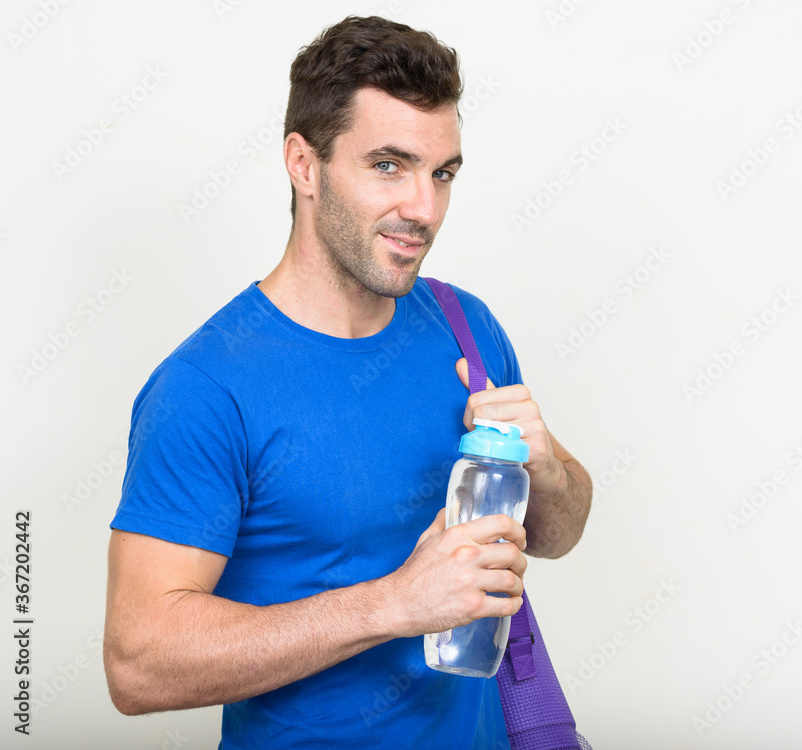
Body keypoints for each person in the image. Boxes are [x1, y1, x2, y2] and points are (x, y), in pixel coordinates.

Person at [104, 15, 592, 749]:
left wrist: (546, 466)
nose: (423, 209)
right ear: (304, 165)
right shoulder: (205, 387)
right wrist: (394, 604)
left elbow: (558, 535)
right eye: (389, 165)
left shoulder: (466, 327)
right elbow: (137, 666)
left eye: (442, 173)